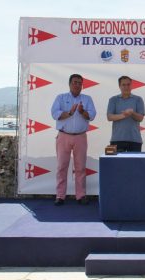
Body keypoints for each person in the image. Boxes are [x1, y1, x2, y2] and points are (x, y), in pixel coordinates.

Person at [51, 74, 97, 206]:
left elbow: (92, 116)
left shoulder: (87, 99)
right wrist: (70, 113)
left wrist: (82, 112)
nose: (77, 85)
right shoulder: (61, 97)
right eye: (75, 82)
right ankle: (60, 196)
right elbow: (55, 114)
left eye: (79, 83)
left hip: (81, 136)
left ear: (82, 85)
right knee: (61, 167)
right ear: (69, 84)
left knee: (81, 168)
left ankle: (81, 195)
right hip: (63, 136)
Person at [107, 76, 145, 152]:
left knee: (134, 164)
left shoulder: (138, 99)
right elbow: (109, 117)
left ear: (131, 85)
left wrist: (132, 113)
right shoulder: (113, 100)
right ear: (119, 86)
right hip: (117, 140)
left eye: (128, 84)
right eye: (123, 85)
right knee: (117, 164)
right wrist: (124, 115)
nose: (126, 87)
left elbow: (140, 118)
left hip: (135, 140)